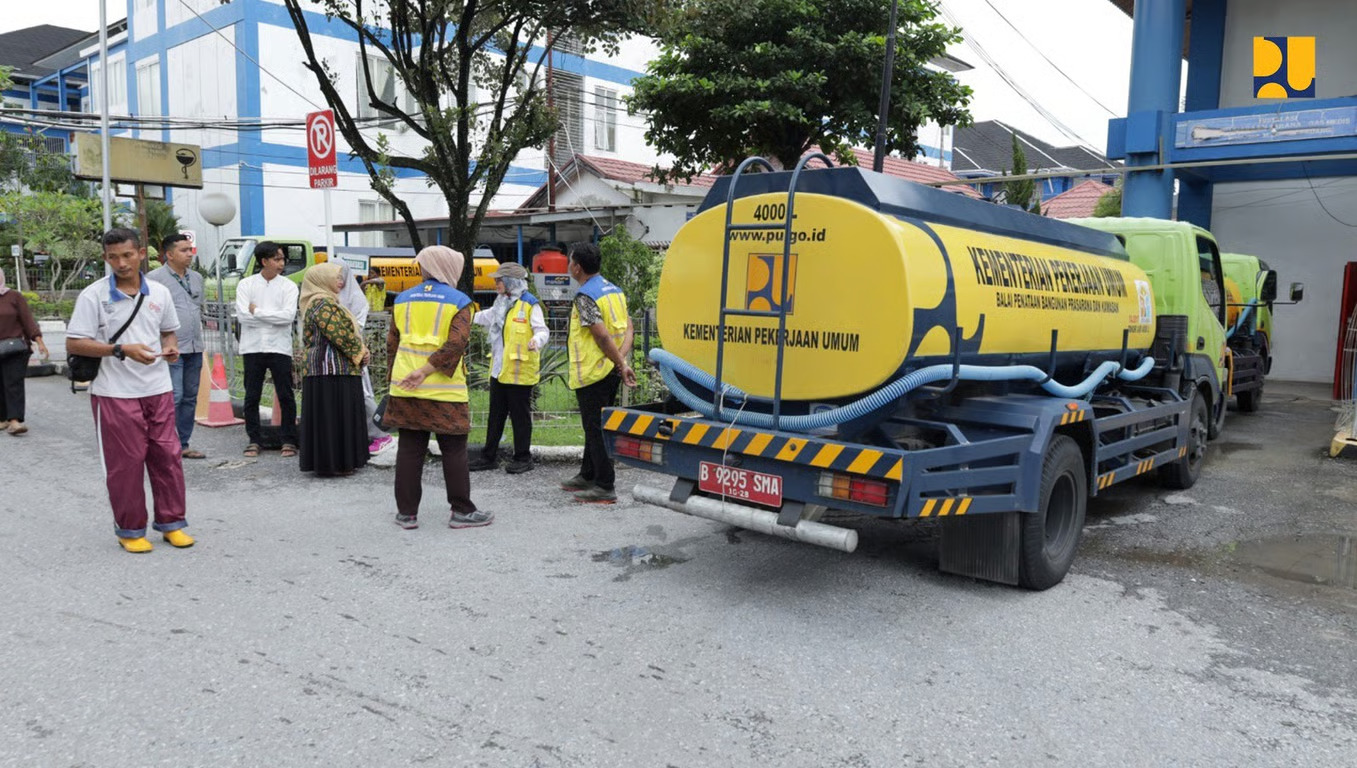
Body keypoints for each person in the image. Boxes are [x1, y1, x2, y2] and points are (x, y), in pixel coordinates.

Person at [65, 228, 193, 553]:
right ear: (106, 258)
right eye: (113, 257)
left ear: (140, 253)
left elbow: (168, 333)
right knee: (126, 463)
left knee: (167, 457)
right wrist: (120, 350)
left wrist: (170, 348)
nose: (121, 263)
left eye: (127, 255)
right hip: (113, 392)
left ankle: (172, 523)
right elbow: (75, 342)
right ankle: (130, 529)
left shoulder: (160, 293)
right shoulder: (93, 296)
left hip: (158, 388)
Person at [384, 245, 493, 530]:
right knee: (454, 449)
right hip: (445, 390)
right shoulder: (460, 302)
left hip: (405, 387)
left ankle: (406, 514)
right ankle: (461, 511)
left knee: (409, 449)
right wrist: (427, 370)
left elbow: (392, 344)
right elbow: (456, 343)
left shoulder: (402, 299)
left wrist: (396, 379)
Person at [562, 243, 636, 504]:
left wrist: (619, 362)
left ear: (577, 267)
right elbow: (629, 328)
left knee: (595, 428)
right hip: (611, 370)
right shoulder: (614, 291)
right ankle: (587, 474)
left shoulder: (585, 297)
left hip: (593, 372)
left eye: (570, 261)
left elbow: (602, 336)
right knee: (594, 426)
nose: (568, 265)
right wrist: (621, 363)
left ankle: (605, 485)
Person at [469, 261, 549, 474]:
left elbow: (542, 330)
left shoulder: (530, 304)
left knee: (520, 418)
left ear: (511, 281)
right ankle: (489, 456)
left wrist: (537, 341)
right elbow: (488, 316)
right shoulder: (501, 302)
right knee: (495, 416)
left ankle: (523, 457)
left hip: (519, 372)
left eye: (499, 280)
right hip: (499, 371)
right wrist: (467, 316)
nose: (496, 283)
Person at [297, 263, 370, 476]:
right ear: (322, 280)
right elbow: (340, 335)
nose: (341, 282)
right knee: (336, 417)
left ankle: (331, 462)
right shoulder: (322, 303)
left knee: (329, 418)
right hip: (332, 370)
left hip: (326, 371)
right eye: (336, 278)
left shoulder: (322, 302)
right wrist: (361, 353)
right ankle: (338, 463)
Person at [236, 241, 299, 458]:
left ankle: (288, 439)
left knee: (286, 395)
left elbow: (288, 317)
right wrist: (269, 315)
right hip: (252, 347)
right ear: (264, 261)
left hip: (279, 347)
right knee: (252, 395)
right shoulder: (246, 285)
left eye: (282, 259)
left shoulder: (289, 287)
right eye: (277, 259)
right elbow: (243, 317)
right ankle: (254, 439)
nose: (281, 263)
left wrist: (258, 312)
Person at [147, 234, 207, 458]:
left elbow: (198, 307)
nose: (190, 254)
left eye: (190, 249)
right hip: (171, 348)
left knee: (191, 397)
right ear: (169, 254)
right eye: (184, 250)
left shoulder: (197, 278)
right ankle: (163, 443)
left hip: (194, 347)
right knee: (175, 396)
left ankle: (183, 443)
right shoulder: (154, 279)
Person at [336, 261, 393, 455]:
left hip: (353, 352)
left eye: (339, 275)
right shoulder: (330, 295)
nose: (337, 280)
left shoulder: (356, 297)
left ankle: (380, 433)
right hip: (338, 354)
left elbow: (355, 326)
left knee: (363, 393)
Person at [0, 267, 48, 435]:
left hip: (15, 349)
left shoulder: (14, 297)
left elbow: (28, 320)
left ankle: (14, 421)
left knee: (13, 383)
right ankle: (3, 418)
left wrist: (39, 341)